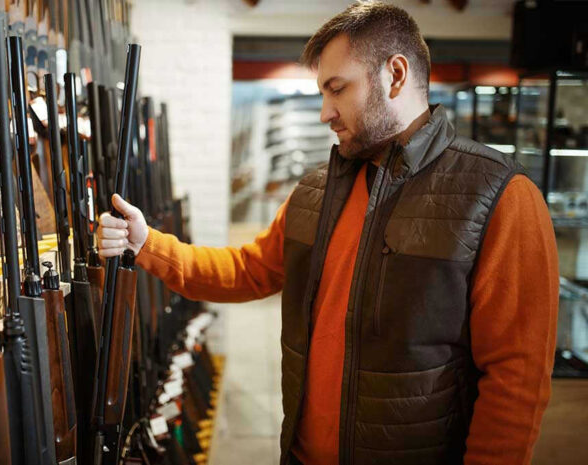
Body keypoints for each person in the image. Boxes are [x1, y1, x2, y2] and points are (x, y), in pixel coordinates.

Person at [97, 3, 559, 465]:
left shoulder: (500, 195)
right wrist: (147, 243)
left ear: (395, 75)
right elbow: (247, 271)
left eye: (337, 89)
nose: (324, 113)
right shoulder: (317, 190)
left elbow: (516, 380)